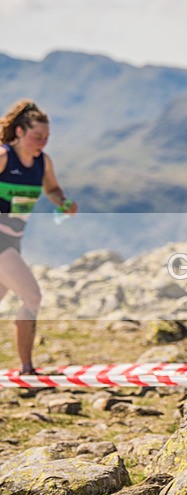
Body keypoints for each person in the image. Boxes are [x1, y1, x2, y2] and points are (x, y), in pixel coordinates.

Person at [0, 100, 78, 375]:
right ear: (20, 132)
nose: (42, 142)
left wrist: (63, 203)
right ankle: (27, 368)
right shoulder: (4, 157)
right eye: (37, 136)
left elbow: (53, 189)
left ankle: (26, 367)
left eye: (46, 137)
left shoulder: (42, 162)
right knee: (32, 296)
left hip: (13, 241)